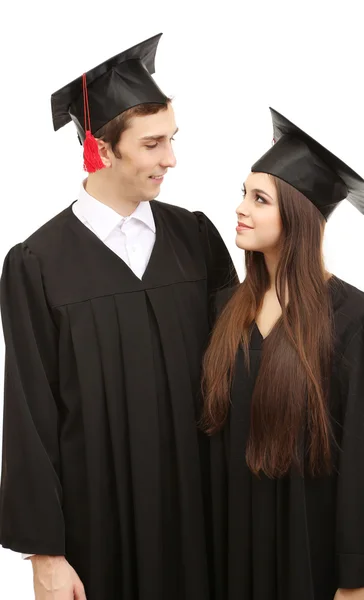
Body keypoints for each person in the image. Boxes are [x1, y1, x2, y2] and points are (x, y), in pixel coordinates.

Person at [0, 33, 238, 600]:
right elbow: (29, 412)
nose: (171, 159)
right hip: (97, 531)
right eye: (153, 143)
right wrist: (46, 555)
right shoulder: (37, 263)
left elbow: (241, 367)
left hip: (201, 519)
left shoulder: (196, 239)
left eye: (173, 140)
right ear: (103, 150)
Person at [201, 107, 364, 600]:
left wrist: (355, 584)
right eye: (243, 195)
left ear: (297, 215)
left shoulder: (358, 321)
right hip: (227, 549)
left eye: (259, 199)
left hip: (310, 556)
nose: (241, 208)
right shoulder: (226, 308)